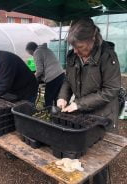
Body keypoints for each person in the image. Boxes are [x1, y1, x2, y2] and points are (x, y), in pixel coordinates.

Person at [57, 18, 121, 184]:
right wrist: (63, 97)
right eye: (74, 47)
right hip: (83, 113)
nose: (76, 51)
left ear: (92, 39)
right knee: (82, 153)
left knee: (99, 160)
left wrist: (79, 104)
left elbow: (111, 90)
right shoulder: (73, 56)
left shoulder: (107, 56)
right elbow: (67, 80)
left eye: (80, 47)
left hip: (103, 115)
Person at [26, 42, 65, 107]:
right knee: (57, 97)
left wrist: (33, 78)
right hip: (61, 74)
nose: (32, 55)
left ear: (31, 50)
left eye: (30, 54)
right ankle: (57, 113)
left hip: (53, 77)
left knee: (48, 98)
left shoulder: (37, 52)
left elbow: (39, 70)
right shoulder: (46, 49)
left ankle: (48, 113)